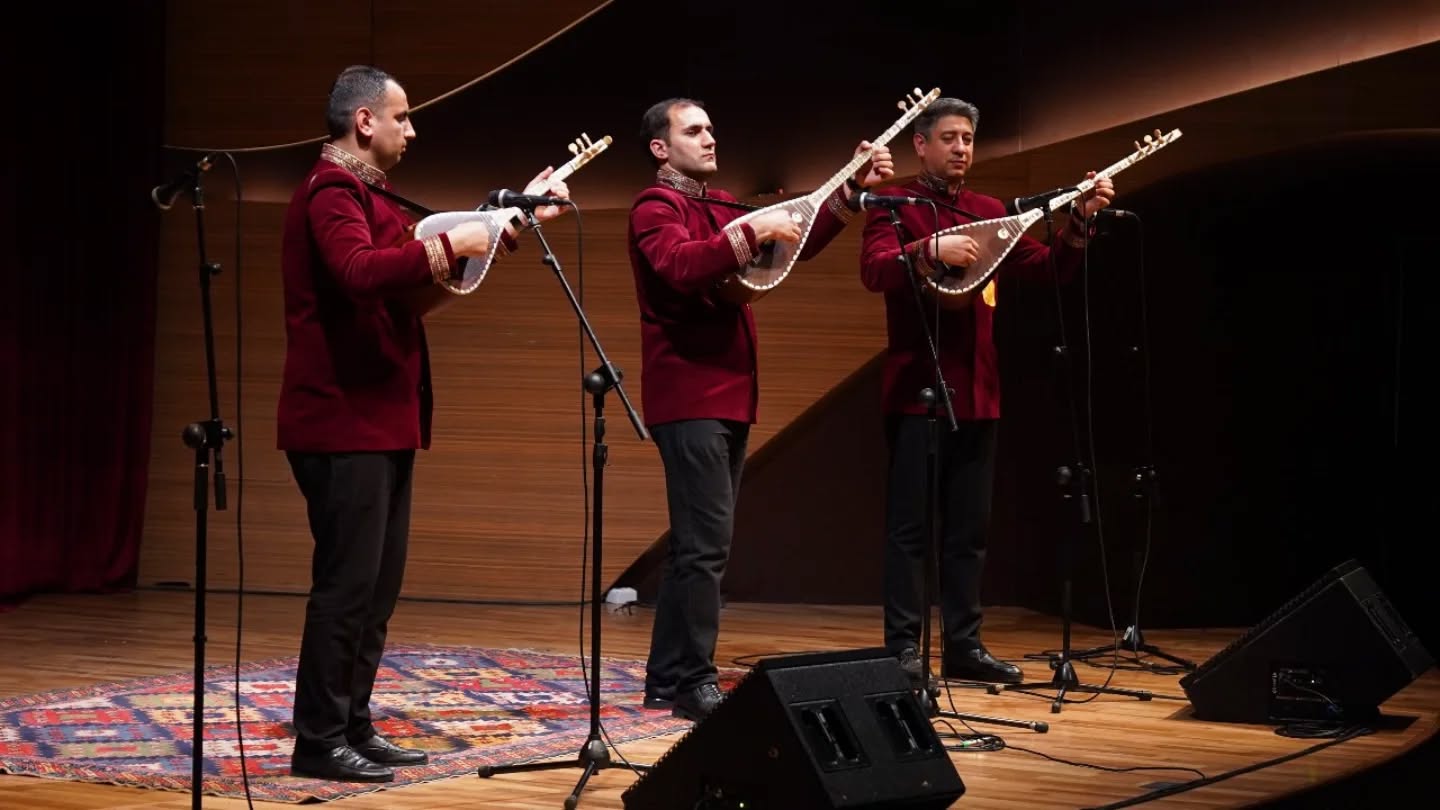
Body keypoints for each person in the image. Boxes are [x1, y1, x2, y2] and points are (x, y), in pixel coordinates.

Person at [276, 64, 568, 782]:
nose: (413, 128)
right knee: (346, 588)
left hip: (382, 417)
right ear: (364, 121)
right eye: (402, 117)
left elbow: (408, 281)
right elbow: (359, 271)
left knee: (377, 590)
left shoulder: (369, 195)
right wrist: (451, 245)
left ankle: (353, 723)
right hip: (341, 418)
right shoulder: (329, 192)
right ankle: (318, 741)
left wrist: (501, 227)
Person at [629, 98, 894, 721]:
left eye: (712, 127)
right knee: (705, 547)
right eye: (694, 130)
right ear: (661, 148)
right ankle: (693, 680)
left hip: (727, 394)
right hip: (688, 394)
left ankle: (666, 679)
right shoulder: (654, 206)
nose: (710, 137)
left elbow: (791, 242)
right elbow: (679, 264)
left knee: (697, 546)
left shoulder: (718, 203)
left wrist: (847, 192)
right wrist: (750, 232)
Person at [858, 97, 1115, 685]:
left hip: (979, 391)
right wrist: (928, 250)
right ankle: (903, 649)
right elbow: (874, 271)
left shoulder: (987, 209)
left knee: (969, 531)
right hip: (917, 391)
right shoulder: (893, 203)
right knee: (910, 532)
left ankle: (963, 647)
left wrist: (1079, 222)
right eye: (948, 138)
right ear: (920, 144)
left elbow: (1047, 268)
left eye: (968, 139)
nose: (961, 149)